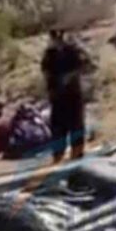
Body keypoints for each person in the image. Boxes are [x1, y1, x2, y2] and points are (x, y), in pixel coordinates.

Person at [41, 29, 87, 163]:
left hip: (73, 96)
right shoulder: (50, 55)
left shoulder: (72, 51)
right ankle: (57, 158)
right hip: (57, 98)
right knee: (58, 131)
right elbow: (46, 72)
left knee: (76, 128)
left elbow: (82, 66)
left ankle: (77, 158)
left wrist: (69, 78)